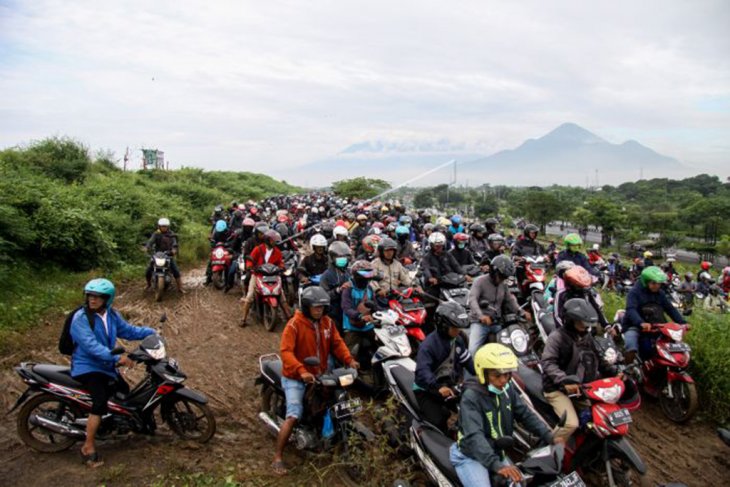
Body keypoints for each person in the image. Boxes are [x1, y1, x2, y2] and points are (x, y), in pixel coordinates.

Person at [273, 286, 359, 475]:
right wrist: (301, 370)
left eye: (322, 307)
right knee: (294, 414)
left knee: (334, 400)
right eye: (316, 307)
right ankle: (278, 457)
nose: (319, 310)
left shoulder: (327, 323)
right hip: (295, 377)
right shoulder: (294, 324)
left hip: (319, 374)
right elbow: (286, 352)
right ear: (306, 306)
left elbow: (337, 343)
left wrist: (349, 360)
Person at [70, 278, 156, 467]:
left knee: (123, 391)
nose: (92, 300)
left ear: (107, 299)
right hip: (88, 366)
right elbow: (91, 346)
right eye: (90, 296)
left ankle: (116, 424)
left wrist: (152, 332)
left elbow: (128, 331)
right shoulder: (81, 319)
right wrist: (118, 358)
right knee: (99, 402)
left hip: (105, 365)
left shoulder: (111, 314)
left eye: (98, 297)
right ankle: (88, 447)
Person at [450, 344, 557, 486]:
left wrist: (549, 435)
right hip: (471, 455)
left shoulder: (507, 390)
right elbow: (474, 436)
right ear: (484, 373)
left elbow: (525, 414)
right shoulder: (471, 397)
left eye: (507, 375)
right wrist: (497, 465)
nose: (503, 380)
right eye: (497, 375)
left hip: (496, 452)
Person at [540, 298, 619, 442]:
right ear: (570, 320)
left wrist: (615, 372)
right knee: (571, 424)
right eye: (582, 323)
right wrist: (564, 381)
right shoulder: (557, 337)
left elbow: (598, 358)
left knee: (601, 417)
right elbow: (548, 363)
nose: (586, 326)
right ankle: (548, 451)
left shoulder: (586, 336)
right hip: (557, 388)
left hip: (581, 388)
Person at [413, 302, 475, 434]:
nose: (458, 331)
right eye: (455, 327)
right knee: (438, 422)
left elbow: (467, 360)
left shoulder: (457, 340)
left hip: (449, 385)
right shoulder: (428, 346)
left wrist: (484, 374)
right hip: (427, 390)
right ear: (443, 325)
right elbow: (423, 371)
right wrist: (438, 387)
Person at [622, 266, 686, 364]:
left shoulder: (660, 294)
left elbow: (670, 309)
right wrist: (641, 323)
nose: (657, 286)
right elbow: (631, 310)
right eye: (653, 283)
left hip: (657, 326)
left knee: (671, 346)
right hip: (635, 325)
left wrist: (682, 322)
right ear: (645, 282)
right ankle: (626, 370)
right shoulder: (634, 293)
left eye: (659, 283)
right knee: (631, 345)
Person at [467, 255, 527, 357]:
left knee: (513, 344)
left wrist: (521, 311)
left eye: (505, 277)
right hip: (479, 323)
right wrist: (481, 316)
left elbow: (510, 299)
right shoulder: (480, 281)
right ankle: (473, 372)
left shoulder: (503, 284)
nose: (503, 279)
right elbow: (472, 299)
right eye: (502, 276)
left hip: (497, 323)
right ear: (493, 271)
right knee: (472, 351)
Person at [240, 230, 292, 326]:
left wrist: (282, 267)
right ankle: (243, 319)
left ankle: (289, 318)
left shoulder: (277, 251)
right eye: (273, 240)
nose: (275, 242)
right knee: (249, 296)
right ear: (268, 240)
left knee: (281, 296)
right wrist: (250, 266)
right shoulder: (258, 249)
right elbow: (250, 260)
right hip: (257, 275)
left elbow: (280, 262)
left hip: (272, 276)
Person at [341, 260, 379, 367]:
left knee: (382, 347)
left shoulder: (370, 288)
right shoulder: (348, 289)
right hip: (352, 327)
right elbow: (346, 308)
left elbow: (375, 306)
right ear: (357, 275)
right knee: (348, 357)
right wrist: (360, 316)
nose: (367, 278)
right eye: (365, 274)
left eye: (369, 274)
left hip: (368, 326)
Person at [144, 218, 184, 293]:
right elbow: (150, 241)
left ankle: (180, 287)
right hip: (157, 255)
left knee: (176, 270)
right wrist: (147, 247)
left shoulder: (172, 234)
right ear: (159, 226)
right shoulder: (156, 234)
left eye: (165, 226)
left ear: (168, 227)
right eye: (162, 226)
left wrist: (174, 249)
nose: (164, 228)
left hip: (168, 255)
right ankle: (148, 284)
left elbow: (175, 244)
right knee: (148, 270)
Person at [421, 232, 464, 300]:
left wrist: (464, 274)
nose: (439, 248)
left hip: (450, 282)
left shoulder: (448, 254)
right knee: (431, 300)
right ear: (431, 245)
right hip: (436, 284)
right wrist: (430, 278)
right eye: (436, 246)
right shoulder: (427, 257)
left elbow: (456, 266)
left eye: (440, 245)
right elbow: (425, 268)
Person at [320, 241, 352, 331]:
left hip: (349, 311)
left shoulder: (349, 273)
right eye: (339, 257)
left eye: (344, 256)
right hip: (333, 313)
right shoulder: (326, 275)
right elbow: (323, 296)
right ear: (332, 258)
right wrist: (338, 290)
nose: (342, 259)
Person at [371, 237, 415, 303]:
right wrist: (378, 290)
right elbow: (371, 280)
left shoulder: (397, 264)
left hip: (395, 296)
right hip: (380, 297)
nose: (390, 253)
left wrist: (414, 285)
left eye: (392, 250)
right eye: (387, 250)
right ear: (381, 251)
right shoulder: (375, 264)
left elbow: (405, 278)